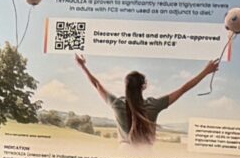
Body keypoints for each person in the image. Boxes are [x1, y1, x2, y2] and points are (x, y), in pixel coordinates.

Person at [74, 53, 218, 146]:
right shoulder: (154, 105)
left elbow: (97, 84)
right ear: (144, 86)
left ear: (126, 86)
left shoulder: (117, 104)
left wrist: (82, 66)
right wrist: (206, 71)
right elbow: (183, 88)